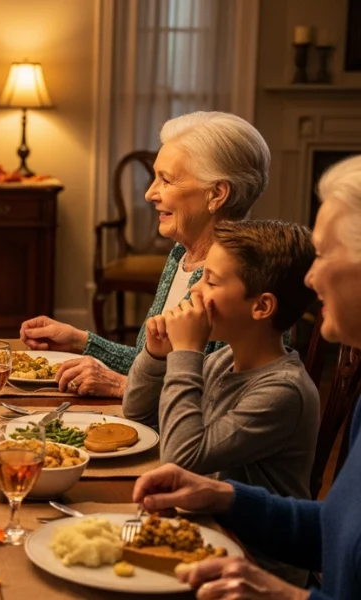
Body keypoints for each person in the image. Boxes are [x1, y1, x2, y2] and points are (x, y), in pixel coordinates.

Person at [132, 155, 361, 599]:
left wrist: (284, 595)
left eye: (327, 254)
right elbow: (334, 529)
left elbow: (182, 451)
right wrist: (223, 496)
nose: (312, 280)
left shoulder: (283, 388)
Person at [123, 220, 319, 584]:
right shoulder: (222, 359)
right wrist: (156, 355)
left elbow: (181, 457)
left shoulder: (282, 391)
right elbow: (136, 412)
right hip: (206, 534)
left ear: (261, 306)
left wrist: (185, 353)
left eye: (211, 281)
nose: (195, 291)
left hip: (255, 568)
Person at [20, 111, 270, 397]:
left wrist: (120, 386)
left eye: (166, 180)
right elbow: (149, 363)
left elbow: (217, 397)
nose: (150, 194)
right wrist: (79, 341)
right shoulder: (181, 255)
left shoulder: (243, 276)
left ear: (217, 194)